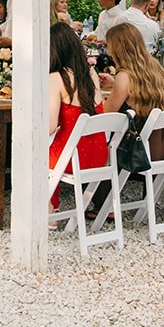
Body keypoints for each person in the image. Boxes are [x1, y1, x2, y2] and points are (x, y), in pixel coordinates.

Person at [48, 21, 108, 210]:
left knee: (35, 152)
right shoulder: (91, 72)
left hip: (72, 156)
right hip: (98, 153)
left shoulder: (56, 78)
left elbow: (48, 127)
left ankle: (50, 210)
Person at [100, 21, 164, 161]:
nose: (108, 51)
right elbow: (138, 89)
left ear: (117, 48)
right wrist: (114, 83)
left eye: (108, 46)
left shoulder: (124, 76)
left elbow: (105, 115)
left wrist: (95, 92)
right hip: (158, 147)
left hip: (134, 153)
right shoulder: (156, 68)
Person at [94, 0, 159, 48]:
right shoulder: (102, 14)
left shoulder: (121, 17)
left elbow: (120, 42)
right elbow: (98, 33)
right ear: (146, 6)